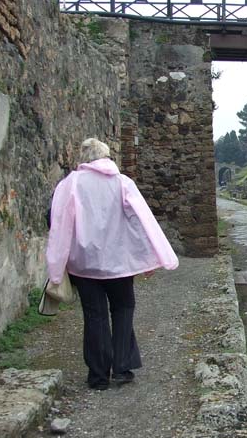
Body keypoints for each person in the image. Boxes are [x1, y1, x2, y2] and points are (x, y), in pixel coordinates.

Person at [46, 137, 178, 390]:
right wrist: (152, 257)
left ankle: (97, 376)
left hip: (84, 264)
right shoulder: (122, 183)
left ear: (84, 157)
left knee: (94, 316)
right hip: (119, 262)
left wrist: (57, 263)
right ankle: (122, 367)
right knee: (123, 308)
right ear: (107, 157)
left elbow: (57, 221)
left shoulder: (70, 184)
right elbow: (142, 220)